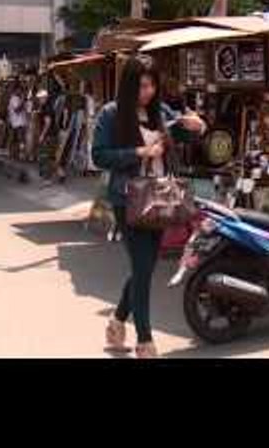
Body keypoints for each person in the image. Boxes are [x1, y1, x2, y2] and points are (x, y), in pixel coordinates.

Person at [93, 54, 206, 357]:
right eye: (142, 86)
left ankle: (117, 320)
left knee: (145, 267)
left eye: (152, 85)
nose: (148, 92)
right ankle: (145, 340)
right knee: (142, 268)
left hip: (159, 197)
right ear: (130, 86)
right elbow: (99, 155)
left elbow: (187, 132)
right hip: (127, 198)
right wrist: (139, 151)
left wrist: (197, 125)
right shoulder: (111, 114)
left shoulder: (161, 112)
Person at [8, 84, 28, 162]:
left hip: (19, 122)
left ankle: (15, 155)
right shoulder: (14, 99)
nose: (21, 92)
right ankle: (17, 155)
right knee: (19, 139)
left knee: (17, 139)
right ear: (16, 90)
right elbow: (17, 109)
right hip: (17, 123)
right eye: (20, 90)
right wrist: (23, 100)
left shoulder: (17, 98)